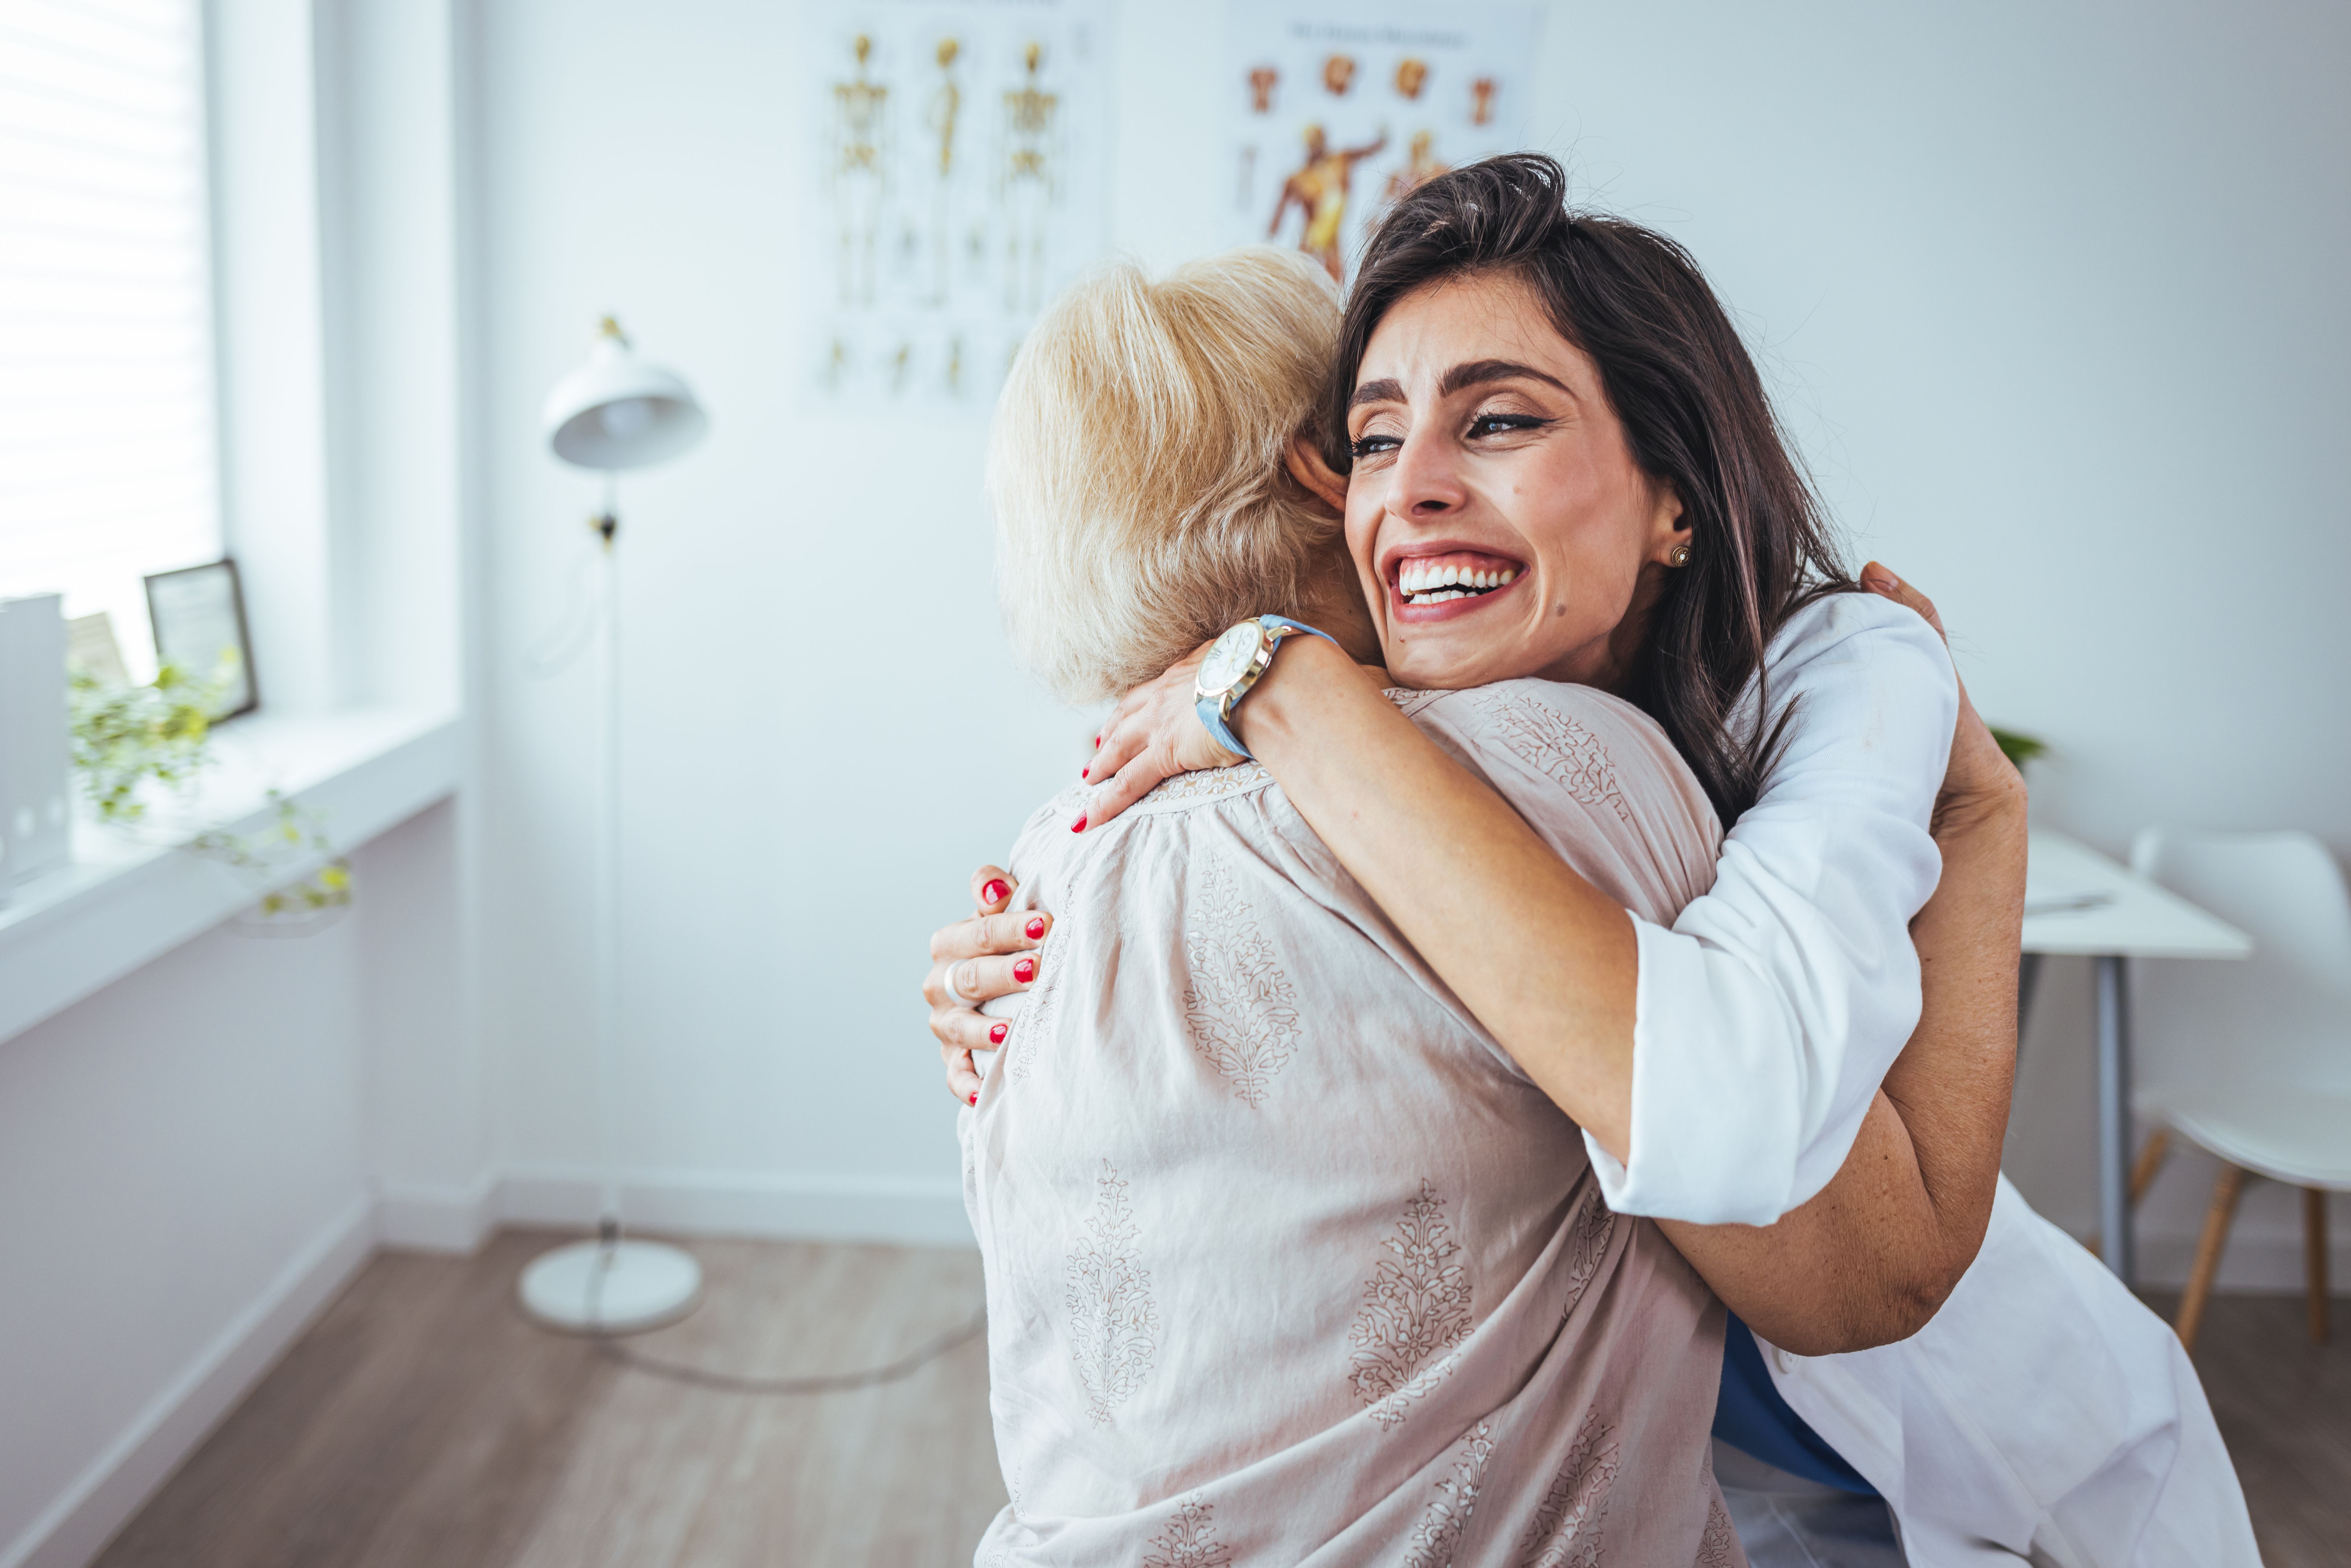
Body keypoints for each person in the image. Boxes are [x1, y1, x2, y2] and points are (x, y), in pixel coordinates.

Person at [929, 158, 2257, 1565]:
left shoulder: (1814, 679)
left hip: (2000, 1473)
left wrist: (1284, 681)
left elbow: (1871, 1265)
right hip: (1744, 1471)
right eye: (1372, 444)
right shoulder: (1320, 762)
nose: (1413, 490)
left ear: (1672, 495)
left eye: (1497, 420)